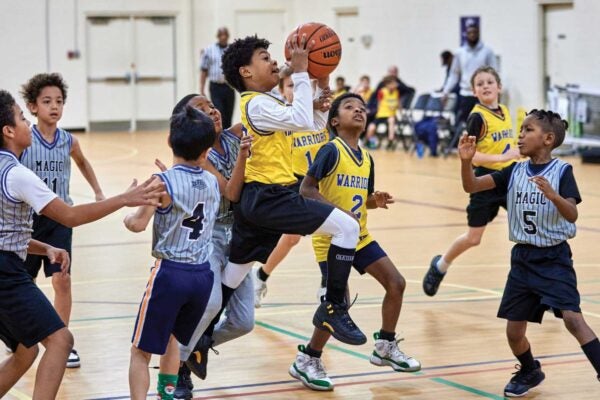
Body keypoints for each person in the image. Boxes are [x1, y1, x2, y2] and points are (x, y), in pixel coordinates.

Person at [204, 34, 365, 350]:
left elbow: (310, 123)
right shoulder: (258, 103)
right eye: (265, 57)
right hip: (271, 197)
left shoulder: (265, 102)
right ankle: (333, 306)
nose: (274, 60)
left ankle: (199, 340)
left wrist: (317, 99)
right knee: (348, 227)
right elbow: (301, 118)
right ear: (246, 72)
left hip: (257, 201)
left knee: (234, 276)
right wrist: (303, 72)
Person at [0, 89, 163, 400]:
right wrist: (123, 199)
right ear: (9, 131)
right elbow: (71, 216)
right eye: (22, 117)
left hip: (8, 262)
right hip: (6, 274)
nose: (26, 122)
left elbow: (5, 232)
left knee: (26, 349)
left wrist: (43, 247)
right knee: (61, 341)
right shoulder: (18, 174)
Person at [457, 109, 600, 397]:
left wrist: (554, 196)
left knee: (573, 319)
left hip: (554, 258)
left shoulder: (562, 171)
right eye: (520, 129)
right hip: (522, 259)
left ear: (547, 139)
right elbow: (471, 186)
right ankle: (529, 369)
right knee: (513, 332)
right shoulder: (514, 171)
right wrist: (466, 161)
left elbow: (571, 214)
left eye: (527, 130)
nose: (520, 135)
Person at [289, 93, 421, 391]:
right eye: (350, 107)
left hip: (360, 236)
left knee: (396, 283)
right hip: (332, 238)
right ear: (334, 121)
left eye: (362, 108)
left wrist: (374, 201)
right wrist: (339, 214)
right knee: (339, 303)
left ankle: (385, 346)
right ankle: (308, 359)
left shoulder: (367, 159)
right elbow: (306, 190)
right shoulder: (330, 150)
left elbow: (360, 202)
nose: (359, 111)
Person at [156, 94, 253, 400]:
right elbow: (231, 192)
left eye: (211, 105)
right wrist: (243, 159)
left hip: (238, 237)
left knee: (243, 322)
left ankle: (193, 344)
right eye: (201, 109)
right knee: (210, 304)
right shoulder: (203, 155)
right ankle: (177, 366)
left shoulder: (235, 135)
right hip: (209, 237)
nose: (212, 110)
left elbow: (263, 113)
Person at [124, 106, 220, 400]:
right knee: (174, 343)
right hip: (203, 276)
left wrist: (129, 207)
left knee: (140, 351)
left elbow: (137, 224)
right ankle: (167, 396)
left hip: (170, 274)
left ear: (169, 140)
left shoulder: (161, 182)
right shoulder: (213, 182)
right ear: (205, 152)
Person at [19, 72, 105, 368]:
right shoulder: (24, 140)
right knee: (23, 281)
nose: (54, 106)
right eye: (47, 101)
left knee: (62, 280)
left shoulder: (68, 140)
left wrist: (97, 190)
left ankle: (63, 340)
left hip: (60, 220)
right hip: (28, 222)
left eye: (58, 101)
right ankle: (21, 335)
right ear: (32, 107)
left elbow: (82, 162)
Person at [423, 66, 520, 296]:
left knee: (526, 227)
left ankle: (533, 279)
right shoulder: (477, 117)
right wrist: (502, 156)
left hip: (508, 178)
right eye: (480, 84)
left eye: (489, 82)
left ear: (499, 87)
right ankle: (440, 266)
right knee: (474, 238)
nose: (485, 86)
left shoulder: (505, 111)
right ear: (474, 91)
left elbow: (506, 145)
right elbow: (471, 155)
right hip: (484, 180)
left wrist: (518, 151)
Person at [252, 65, 331, 308]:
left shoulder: (318, 114)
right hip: (296, 182)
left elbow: (324, 85)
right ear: (282, 91)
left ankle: (328, 285)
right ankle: (261, 275)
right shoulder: (283, 118)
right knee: (292, 238)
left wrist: (318, 63)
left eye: (301, 86)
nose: (297, 91)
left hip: (324, 180)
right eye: (291, 87)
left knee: (331, 231)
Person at [442, 23, 497, 135]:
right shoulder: (459, 53)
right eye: (469, 33)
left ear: (478, 34)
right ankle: (468, 148)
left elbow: (494, 72)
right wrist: (446, 91)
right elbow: (454, 74)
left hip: (483, 94)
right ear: (466, 34)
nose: (472, 35)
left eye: (474, 32)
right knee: (467, 123)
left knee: (485, 122)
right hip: (466, 94)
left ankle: (484, 148)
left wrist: (496, 91)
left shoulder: (487, 51)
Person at [200, 27, 235, 129]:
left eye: (225, 35)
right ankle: (219, 134)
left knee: (229, 113)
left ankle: (228, 136)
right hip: (215, 87)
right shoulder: (209, 50)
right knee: (220, 111)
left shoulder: (232, 50)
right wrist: (202, 89)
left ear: (228, 36)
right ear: (217, 36)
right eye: (221, 35)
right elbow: (204, 70)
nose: (223, 37)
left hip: (229, 86)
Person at [365, 75, 400, 150]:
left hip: (391, 115)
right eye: (393, 83)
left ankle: (390, 140)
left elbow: (398, 104)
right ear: (388, 84)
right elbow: (378, 104)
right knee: (371, 127)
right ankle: (368, 142)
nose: (395, 85)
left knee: (391, 120)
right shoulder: (382, 92)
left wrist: (396, 106)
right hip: (381, 115)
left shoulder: (396, 92)